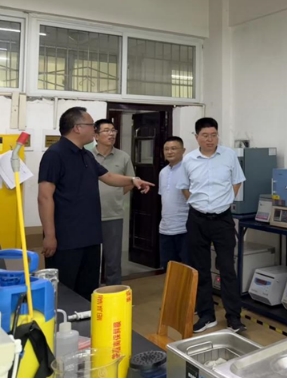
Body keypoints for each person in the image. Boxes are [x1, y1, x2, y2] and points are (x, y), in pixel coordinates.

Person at [38, 107, 154, 300]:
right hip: (67, 238)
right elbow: (44, 197)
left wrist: (133, 180)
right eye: (91, 125)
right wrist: (49, 235)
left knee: (87, 290)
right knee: (64, 292)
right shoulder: (55, 154)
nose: (94, 129)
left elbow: (108, 176)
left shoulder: (86, 155)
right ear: (77, 128)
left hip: (90, 236)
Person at [178, 117, 246, 333]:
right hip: (197, 219)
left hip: (222, 219)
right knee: (200, 269)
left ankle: (233, 317)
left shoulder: (229, 155)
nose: (210, 139)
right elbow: (184, 187)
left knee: (227, 269)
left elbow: (237, 181)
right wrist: (198, 204)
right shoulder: (188, 160)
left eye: (214, 135)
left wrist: (224, 201)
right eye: (205, 135)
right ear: (196, 137)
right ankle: (206, 315)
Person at [92, 119, 135, 286]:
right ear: (96, 135)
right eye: (106, 130)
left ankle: (114, 292)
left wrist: (115, 194)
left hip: (113, 214)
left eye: (113, 130)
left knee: (113, 259)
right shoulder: (87, 156)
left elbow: (130, 181)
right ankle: (91, 293)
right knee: (91, 259)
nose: (111, 134)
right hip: (89, 215)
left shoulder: (123, 157)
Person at [159, 136, 189, 270]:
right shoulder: (163, 172)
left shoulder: (188, 170)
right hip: (165, 229)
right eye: (166, 149)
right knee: (169, 269)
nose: (169, 152)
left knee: (187, 269)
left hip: (184, 229)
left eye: (174, 148)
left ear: (183, 150)